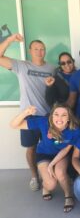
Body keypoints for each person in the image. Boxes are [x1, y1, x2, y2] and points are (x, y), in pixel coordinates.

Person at [0, 33, 55, 191]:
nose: (39, 51)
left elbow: (59, 89)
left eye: (42, 49)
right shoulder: (21, 65)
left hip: (47, 117)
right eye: (36, 49)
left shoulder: (51, 68)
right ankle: (34, 177)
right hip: (28, 115)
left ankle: (48, 176)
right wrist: (9, 40)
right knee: (31, 148)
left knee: (48, 146)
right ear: (30, 51)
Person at [10, 104, 80, 213]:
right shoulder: (44, 122)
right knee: (51, 184)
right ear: (51, 116)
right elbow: (13, 125)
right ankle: (46, 187)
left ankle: (68, 196)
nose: (59, 118)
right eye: (56, 114)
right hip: (44, 154)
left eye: (64, 115)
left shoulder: (74, 129)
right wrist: (26, 113)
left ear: (69, 118)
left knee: (60, 173)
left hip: (61, 154)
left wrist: (52, 164)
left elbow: (66, 150)